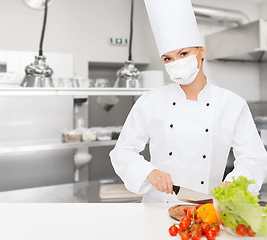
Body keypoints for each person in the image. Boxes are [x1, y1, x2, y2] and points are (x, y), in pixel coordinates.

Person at [109, 0, 267, 203]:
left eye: (183, 54)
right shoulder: (150, 102)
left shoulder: (232, 104)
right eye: (168, 58)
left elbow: (254, 157)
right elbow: (122, 152)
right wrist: (150, 172)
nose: (177, 63)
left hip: (207, 209)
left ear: (201, 52)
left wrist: (234, 182)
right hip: (158, 207)